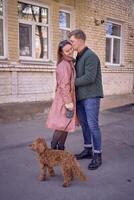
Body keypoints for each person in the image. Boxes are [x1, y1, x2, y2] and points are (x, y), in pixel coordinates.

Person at [68, 29, 104, 170]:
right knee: (84, 124)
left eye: (72, 41)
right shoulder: (79, 57)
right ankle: (88, 150)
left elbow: (90, 77)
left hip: (91, 96)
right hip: (81, 97)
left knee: (93, 125)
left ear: (81, 40)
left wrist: (71, 82)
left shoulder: (90, 56)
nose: (71, 44)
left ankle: (97, 154)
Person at [46, 40, 77, 150]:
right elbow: (64, 86)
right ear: (62, 52)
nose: (70, 52)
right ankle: (52, 150)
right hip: (65, 100)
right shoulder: (64, 64)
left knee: (65, 125)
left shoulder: (69, 62)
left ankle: (61, 149)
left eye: (71, 49)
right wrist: (68, 103)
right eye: (67, 51)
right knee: (61, 125)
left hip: (66, 98)